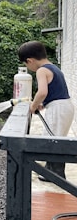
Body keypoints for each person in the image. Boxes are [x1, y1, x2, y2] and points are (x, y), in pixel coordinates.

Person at [18, 40, 75, 181]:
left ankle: (56, 175)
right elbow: (54, 91)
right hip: (65, 106)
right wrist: (43, 104)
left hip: (58, 109)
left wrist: (33, 105)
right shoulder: (53, 67)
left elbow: (42, 92)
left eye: (26, 63)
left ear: (30, 61)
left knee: (52, 140)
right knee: (56, 137)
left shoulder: (42, 70)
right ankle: (51, 171)